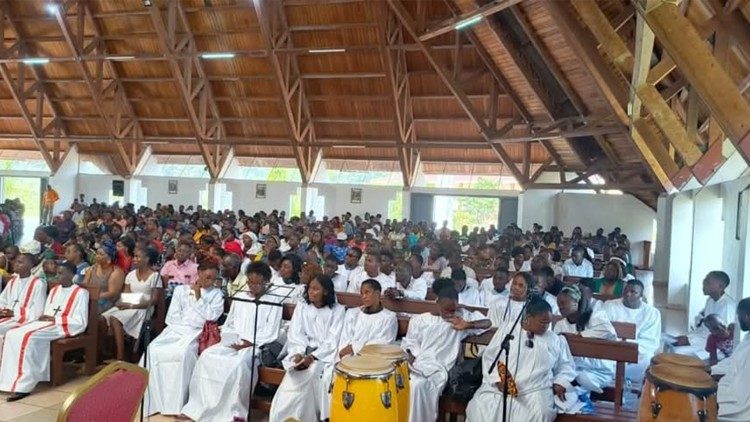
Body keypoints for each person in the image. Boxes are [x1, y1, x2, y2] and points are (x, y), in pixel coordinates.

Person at [181, 262, 283, 421]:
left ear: (266, 281)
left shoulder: (274, 300)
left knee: (238, 365)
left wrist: (250, 343)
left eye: (257, 283)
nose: (253, 286)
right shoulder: (241, 296)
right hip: (234, 341)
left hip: (255, 345)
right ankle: (198, 407)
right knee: (207, 356)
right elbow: (229, 323)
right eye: (250, 282)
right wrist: (231, 337)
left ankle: (233, 413)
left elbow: (272, 332)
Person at [466, 296, 576, 421]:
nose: (546, 326)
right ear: (528, 318)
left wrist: (560, 382)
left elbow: (566, 366)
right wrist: (497, 381)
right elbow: (490, 357)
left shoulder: (554, 339)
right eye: (542, 322)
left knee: (540, 413)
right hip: (502, 387)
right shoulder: (508, 330)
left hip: (536, 390)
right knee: (480, 407)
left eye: (548, 323)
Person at [142, 260, 224, 416]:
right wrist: (183, 325)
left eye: (213, 279)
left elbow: (211, 317)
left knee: (183, 353)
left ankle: (175, 403)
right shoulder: (181, 290)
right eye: (207, 277)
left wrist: (199, 298)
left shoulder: (216, 294)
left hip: (197, 332)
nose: (210, 281)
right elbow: (172, 316)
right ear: (199, 273)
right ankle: (153, 401)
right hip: (175, 329)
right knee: (153, 349)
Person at [401, 285, 491, 422]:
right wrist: (409, 361)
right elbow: (410, 346)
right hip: (420, 365)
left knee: (418, 386)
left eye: (453, 309)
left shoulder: (461, 317)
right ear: (437, 303)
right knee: (407, 382)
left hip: (442, 368)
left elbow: (488, 323)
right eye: (446, 309)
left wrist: (467, 325)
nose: (450, 313)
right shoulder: (420, 320)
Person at [0, 261, 88, 401]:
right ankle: (9, 380)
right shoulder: (54, 290)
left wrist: (55, 320)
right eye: (56, 273)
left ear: (72, 275)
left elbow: (80, 320)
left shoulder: (81, 293)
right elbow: (45, 312)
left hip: (62, 326)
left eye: (61, 273)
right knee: (12, 334)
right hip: (46, 324)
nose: (57, 277)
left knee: (28, 337)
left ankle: (24, 385)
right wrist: (45, 318)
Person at [269, 275, 346, 422]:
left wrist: (312, 357)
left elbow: (332, 340)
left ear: (326, 292)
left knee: (311, 374)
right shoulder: (302, 306)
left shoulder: (337, 310)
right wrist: (298, 353)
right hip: (302, 352)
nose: (311, 292)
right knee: (290, 382)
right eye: (310, 288)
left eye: (316, 289)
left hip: (322, 357)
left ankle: (302, 417)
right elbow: (296, 333)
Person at [321, 279, 398, 419]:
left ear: (378, 293)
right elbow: (345, 339)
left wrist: (355, 347)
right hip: (349, 360)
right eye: (361, 293)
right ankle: (332, 417)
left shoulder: (389, 317)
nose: (363, 296)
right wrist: (347, 356)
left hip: (373, 363)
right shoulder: (353, 314)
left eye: (367, 292)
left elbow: (383, 343)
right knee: (328, 376)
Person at [102, 247, 162, 361]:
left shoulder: (154, 276)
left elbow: (154, 300)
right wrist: (122, 302)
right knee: (103, 318)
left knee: (115, 318)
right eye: (134, 256)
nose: (134, 259)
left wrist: (132, 306)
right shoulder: (130, 275)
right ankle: (105, 351)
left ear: (147, 259)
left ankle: (120, 355)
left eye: (138, 257)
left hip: (144, 308)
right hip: (130, 304)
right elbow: (126, 294)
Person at [554, 285, 616, 392]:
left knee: (579, 381)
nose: (560, 307)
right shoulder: (560, 325)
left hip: (598, 370)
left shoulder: (595, 316)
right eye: (559, 304)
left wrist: (579, 336)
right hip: (573, 369)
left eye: (563, 303)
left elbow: (608, 331)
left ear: (576, 302)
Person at [602, 279, 661, 384]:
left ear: (641, 295)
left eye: (633, 292)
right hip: (612, 349)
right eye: (626, 290)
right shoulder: (610, 306)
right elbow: (602, 329)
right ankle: (609, 379)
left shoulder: (652, 313)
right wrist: (618, 347)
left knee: (646, 359)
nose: (628, 294)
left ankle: (626, 380)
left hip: (636, 353)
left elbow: (650, 340)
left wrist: (629, 351)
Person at [671, 271, 736, 358]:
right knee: (671, 343)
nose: (704, 283)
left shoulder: (727, 306)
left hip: (713, 346)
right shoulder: (710, 300)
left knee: (675, 352)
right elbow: (703, 327)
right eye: (704, 280)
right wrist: (689, 337)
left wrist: (690, 340)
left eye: (708, 282)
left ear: (720, 287)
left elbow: (722, 336)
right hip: (701, 337)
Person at [713, 297, 750, 421]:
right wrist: (713, 371)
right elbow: (733, 361)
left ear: (747, 316)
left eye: (739, 315)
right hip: (731, 387)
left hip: (740, 407)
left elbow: (740, 394)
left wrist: (715, 391)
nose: (738, 320)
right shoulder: (747, 338)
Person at [0, 254, 47, 349]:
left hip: (24, 320)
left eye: (20, 262)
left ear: (30, 265)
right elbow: (2, 300)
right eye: (16, 261)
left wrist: (14, 313)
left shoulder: (38, 284)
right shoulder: (12, 282)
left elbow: (38, 310)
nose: (15, 264)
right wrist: (3, 310)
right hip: (7, 317)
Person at [81, 240, 125, 313]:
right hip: (91, 299)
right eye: (97, 253)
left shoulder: (116, 272)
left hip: (107, 302)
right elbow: (85, 284)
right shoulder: (92, 268)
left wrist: (94, 296)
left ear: (109, 259)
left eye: (101, 254)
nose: (97, 256)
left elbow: (112, 293)